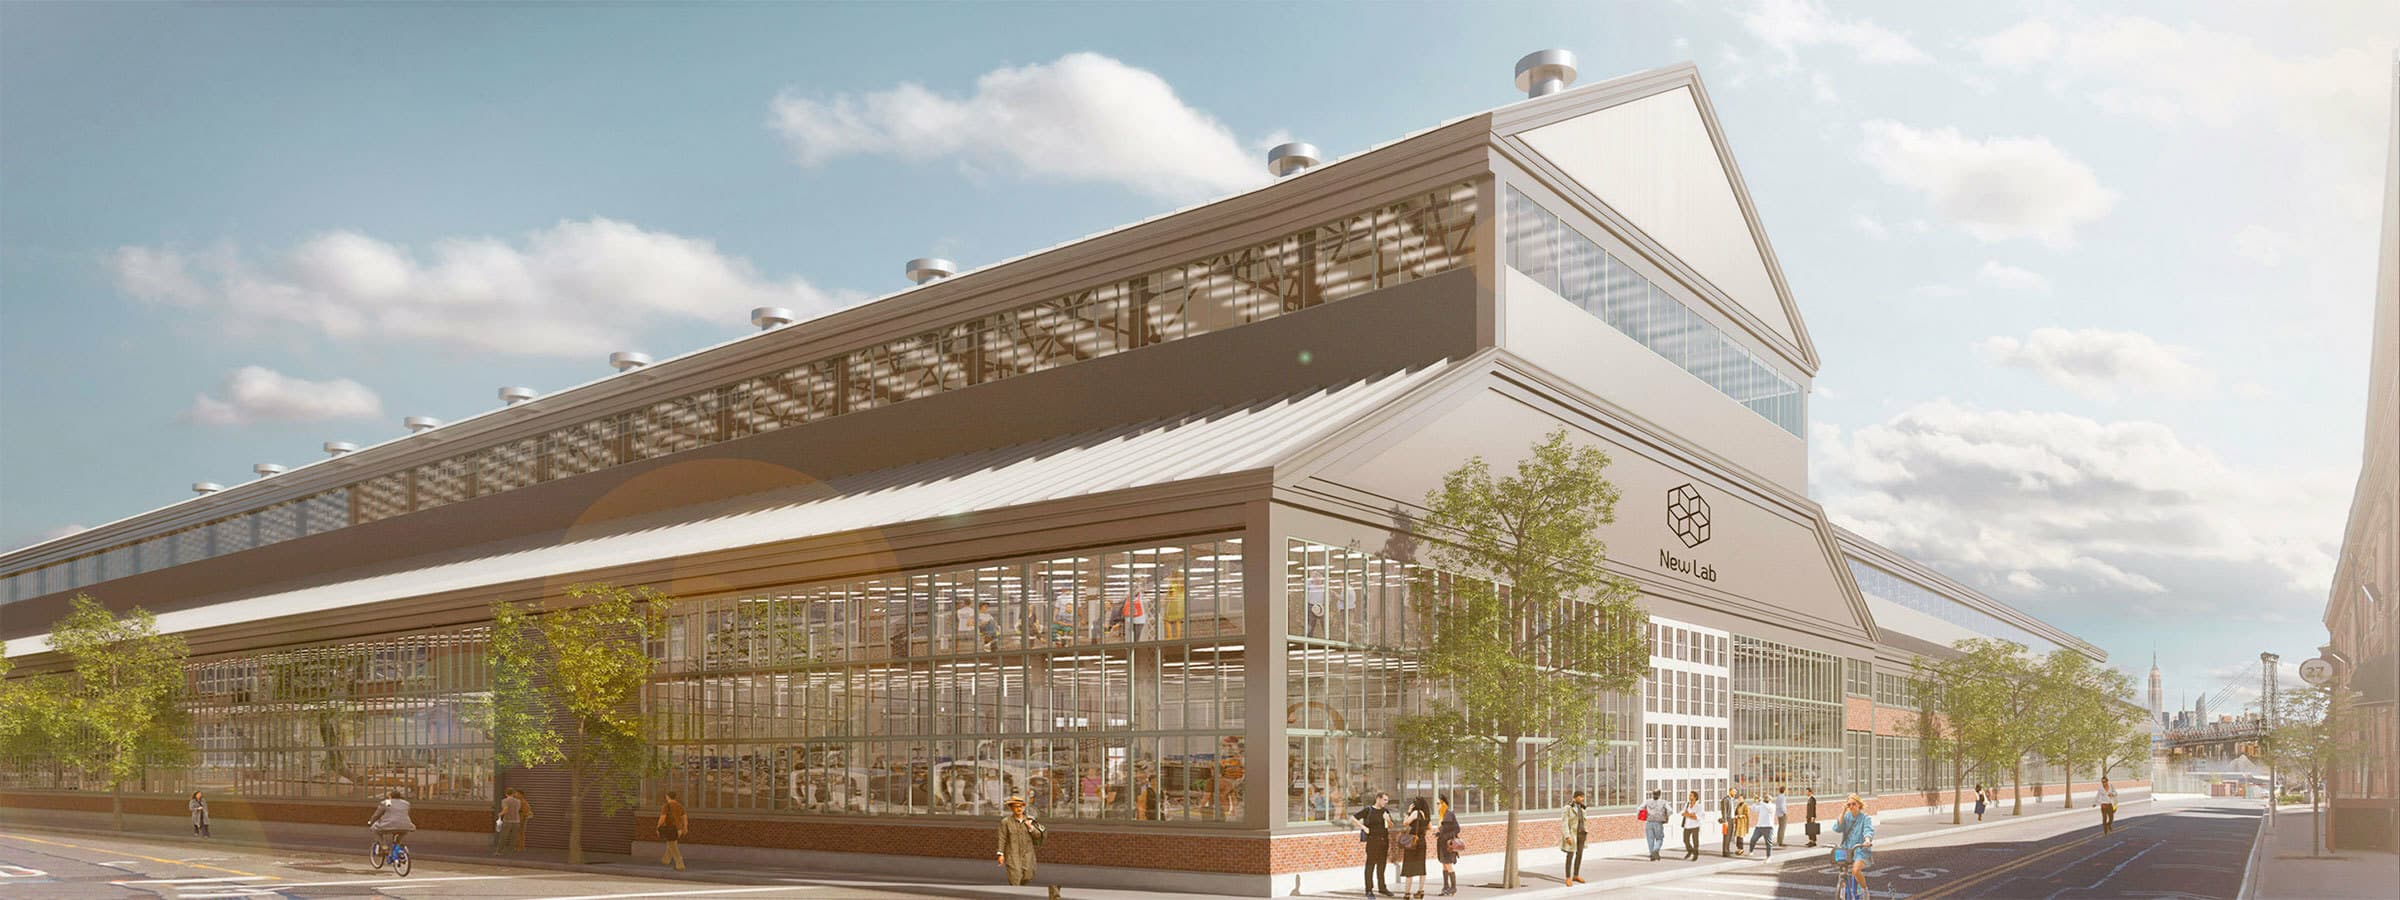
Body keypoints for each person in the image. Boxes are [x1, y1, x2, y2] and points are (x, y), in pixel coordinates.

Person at [996, 795, 1046, 888]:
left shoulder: (1030, 821)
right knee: (1015, 876)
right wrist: (1000, 854)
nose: (1019, 809)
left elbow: (1038, 836)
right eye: (1016, 806)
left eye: (1021, 806)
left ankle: (1020, 889)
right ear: (1011, 808)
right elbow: (1002, 838)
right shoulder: (1006, 822)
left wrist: (1030, 827)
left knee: (1028, 875)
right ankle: (1016, 892)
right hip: (1013, 854)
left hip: (1028, 854)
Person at [1352, 791, 1395, 898]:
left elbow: (1391, 826)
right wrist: (1363, 827)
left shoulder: (1385, 811)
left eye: (1387, 800)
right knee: (1370, 865)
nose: (1386, 802)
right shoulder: (1368, 810)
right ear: (1378, 799)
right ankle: (1369, 890)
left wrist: (1388, 819)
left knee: (1382, 865)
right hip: (1372, 841)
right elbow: (1353, 818)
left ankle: (1382, 888)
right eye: (1384, 800)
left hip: (1384, 841)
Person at [1833, 794, 1875, 890]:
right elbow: (1837, 828)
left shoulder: (1865, 818)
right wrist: (1843, 811)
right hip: (1846, 849)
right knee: (1842, 873)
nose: (1851, 806)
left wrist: (1867, 840)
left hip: (1860, 849)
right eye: (1849, 804)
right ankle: (1842, 893)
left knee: (1855, 871)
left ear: (1859, 804)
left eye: (1853, 804)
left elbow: (1868, 830)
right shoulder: (1846, 817)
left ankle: (1865, 890)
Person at [1399, 797, 1430, 899]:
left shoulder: (1416, 813)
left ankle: (1407, 893)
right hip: (1422, 842)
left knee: (1409, 867)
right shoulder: (1426, 814)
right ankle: (1420, 891)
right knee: (1421, 867)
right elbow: (1429, 827)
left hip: (1413, 843)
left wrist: (1408, 812)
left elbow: (1405, 823)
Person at [368, 789, 415, 855]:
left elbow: (377, 815)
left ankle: (384, 846)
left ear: (390, 796)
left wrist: (371, 821)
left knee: (374, 829)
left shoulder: (388, 802)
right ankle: (398, 847)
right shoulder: (406, 803)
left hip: (389, 824)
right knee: (400, 834)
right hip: (406, 826)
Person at [1558, 789, 1589, 884]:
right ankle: (1568, 877)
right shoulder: (1568, 808)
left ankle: (1576, 875)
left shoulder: (1583, 808)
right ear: (1575, 797)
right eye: (1580, 797)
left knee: (1579, 855)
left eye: (1583, 797)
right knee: (1570, 855)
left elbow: (1584, 821)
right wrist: (1567, 836)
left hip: (1582, 834)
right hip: (1572, 835)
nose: (1582, 798)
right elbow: (1564, 823)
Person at [1435, 794, 1462, 896]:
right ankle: (1446, 887)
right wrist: (1438, 834)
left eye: (1438, 803)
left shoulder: (1449, 814)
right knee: (1444, 865)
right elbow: (1445, 829)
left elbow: (1457, 829)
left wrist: (1445, 836)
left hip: (1448, 844)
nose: (1437, 805)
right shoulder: (1442, 815)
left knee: (1448, 865)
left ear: (1444, 804)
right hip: (1442, 843)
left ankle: (1453, 887)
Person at [658, 789, 688, 870]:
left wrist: (658, 826)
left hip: (670, 829)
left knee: (673, 846)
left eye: (666, 796)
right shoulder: (680, 806)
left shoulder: (666, 806)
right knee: (672, 843)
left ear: (667, 797)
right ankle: (665, 860)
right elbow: (684, 818)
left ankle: (680, 864)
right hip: (679, 829)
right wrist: (685, 827)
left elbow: (662, 818)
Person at [1641, 789, 1673, 861]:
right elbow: (1670, 811)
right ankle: (1655, 850)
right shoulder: (1663, 802)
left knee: (1650, 839)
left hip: (1649, 822)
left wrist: (1644, 816)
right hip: (1658, 823)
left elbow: (1640, 808)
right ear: (1659, 794)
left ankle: (1652, 854)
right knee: (1659, 838)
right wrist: (1666, 816)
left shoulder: (1647, 802)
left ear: (1652, 794)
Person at [494, 788, 527, 855]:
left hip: (508, 821)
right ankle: (511, 852)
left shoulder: (505, 801)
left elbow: (505, 809)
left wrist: (500, 814)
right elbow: (518, 810)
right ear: (513, 793)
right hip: (516, 821)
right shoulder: (518, 801)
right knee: (514, 837)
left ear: (506, 793)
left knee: (503, 836)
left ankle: (499, 851)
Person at [1746, 793, 1777, 860]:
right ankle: (1751, 851)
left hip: (1768, 827)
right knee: (1753, 839)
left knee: (1768, 843)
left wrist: (1760, 801)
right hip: (1759, 826)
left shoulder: (1772, 806)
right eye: (1765, 797)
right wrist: (1754, 802)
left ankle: (1768, 856)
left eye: (1767, 798)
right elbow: (1753, 809)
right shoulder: (1762, 805)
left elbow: (1768, 808)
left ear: (1770, 799)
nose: (1765, 798)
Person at [1679, 790, 1704, 861]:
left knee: (1695, 841)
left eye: (1691, 795)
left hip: (1695, 826)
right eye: (1689, 795)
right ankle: (1690, 851)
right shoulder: (1687, 804)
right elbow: (1682, 813)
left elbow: (1697, 817)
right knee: (1685, 840)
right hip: (1687, 825)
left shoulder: (1699, 806)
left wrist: (1688, 814)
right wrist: (1691, 815)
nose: (1689, 797)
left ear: (1695, 797)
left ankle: (1695, 854)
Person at [1730, 790, 1753, 855]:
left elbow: (1746, 814)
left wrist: (1740, 816)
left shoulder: (1745, 805)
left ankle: (1741, 849)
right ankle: (1738, 848)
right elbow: (1736, 812)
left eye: (1740, 798)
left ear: (1743, 799)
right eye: (1739, 798)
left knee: (1740, 836)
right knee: (1738, 836)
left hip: (1742, 822)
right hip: (1738, 822)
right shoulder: (1738, 805)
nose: (1739, 799)